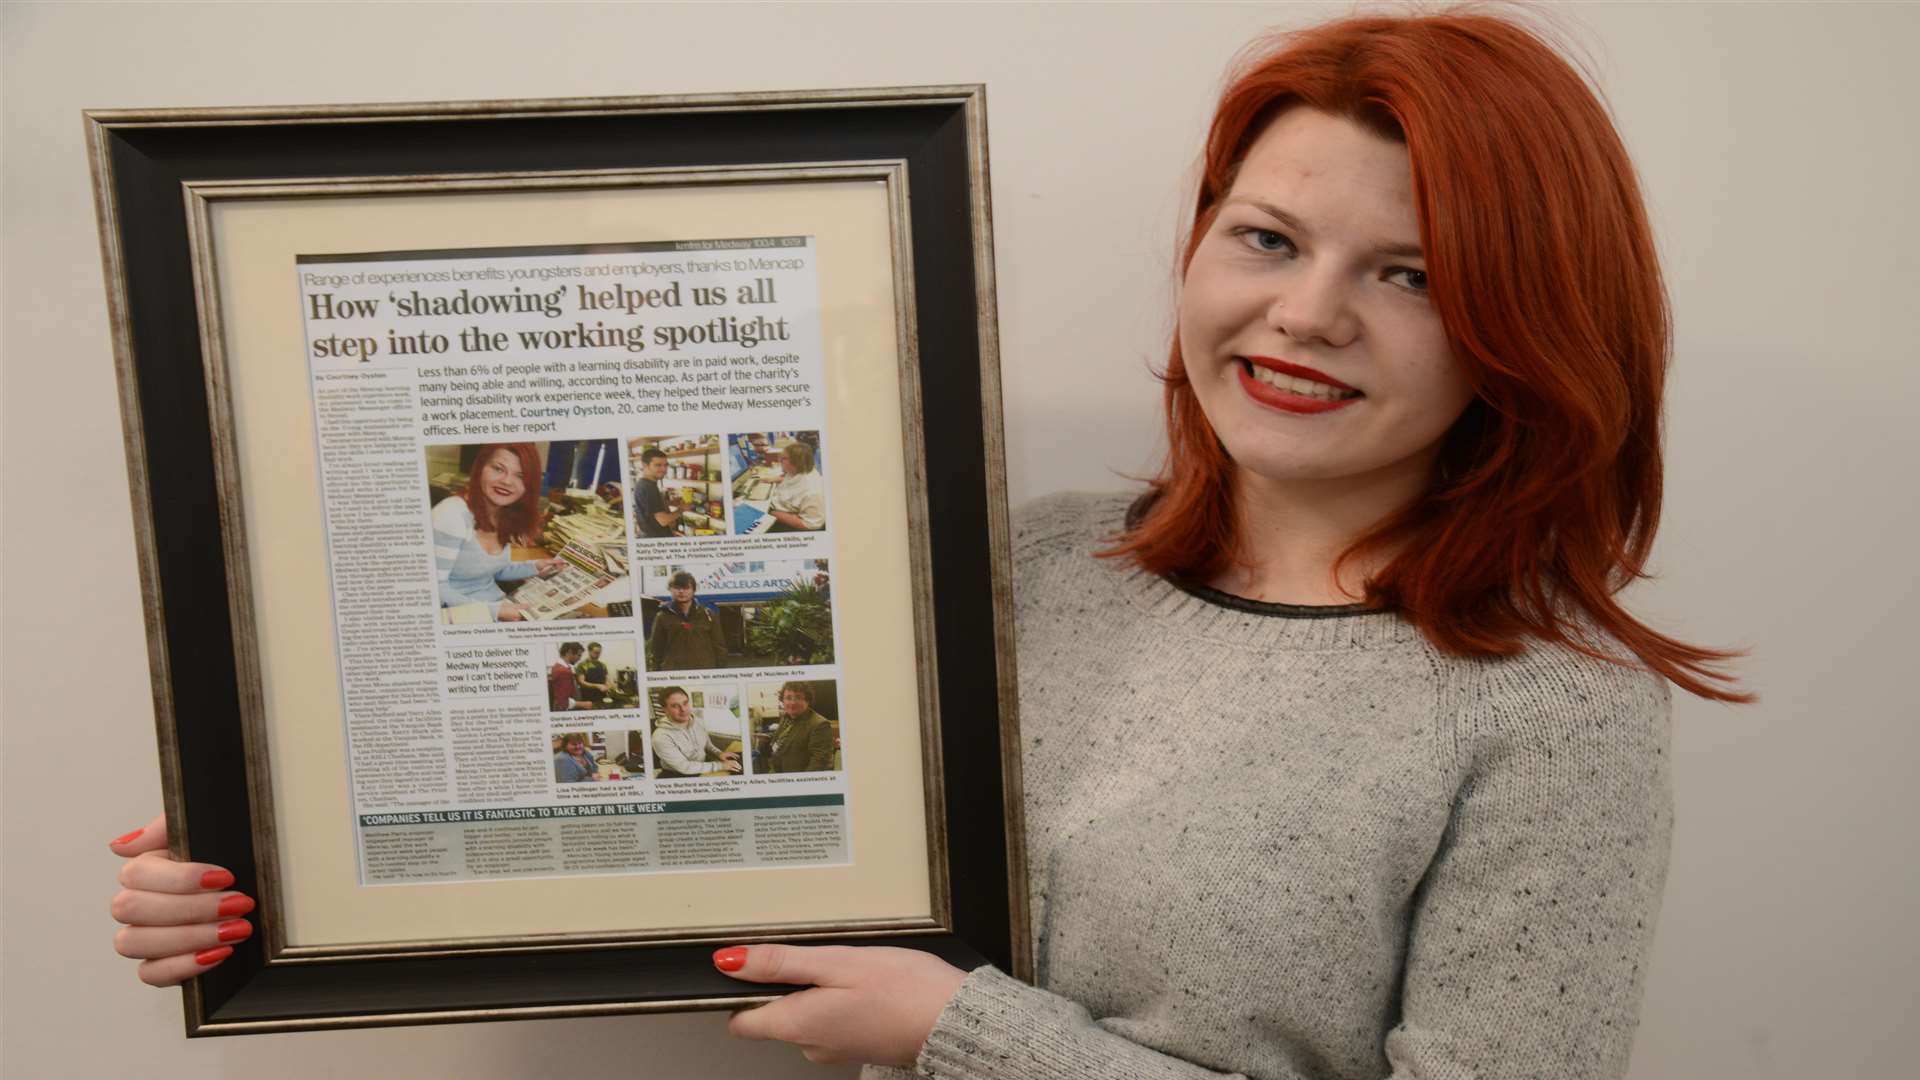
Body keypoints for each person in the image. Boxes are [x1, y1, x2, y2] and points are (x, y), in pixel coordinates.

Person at [103, 11, 1749, 1076]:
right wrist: (316, 835)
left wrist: (970, 1033)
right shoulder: (1016, 570)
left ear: (1521, 329)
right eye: (1269, 236)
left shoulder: (1555, 707)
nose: (1305, 313)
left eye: (1409, 272)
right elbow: (670, 758)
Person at [431, 443, 566, 621]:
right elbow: (434, 589)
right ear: (480, 468)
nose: (507, 481)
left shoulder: (504, 512)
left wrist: (535, 566)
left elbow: (494, 570)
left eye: (520, 476)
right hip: (461, 616)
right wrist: (495, 611)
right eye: (498, 468)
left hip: (496, 605)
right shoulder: (450, 514)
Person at [650, 686, 742, 779]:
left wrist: (719, 754)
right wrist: (721, 766)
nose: (683, 710)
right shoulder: (660, 737)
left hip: (703, 766)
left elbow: (707, 744)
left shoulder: (698, 721)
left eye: (685, 703)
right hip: (679, 775)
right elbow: (684, 767)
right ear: (665, 710)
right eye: (675, 706)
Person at [646, 570, 728, 671]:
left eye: (686, 588)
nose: (681, 591)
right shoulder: (662, 617)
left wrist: (719, 670)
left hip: (704, 672)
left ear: (694, 590)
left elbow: (720, 647)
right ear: (670, 589)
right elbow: (656, 650)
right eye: (677, 588)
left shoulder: (708, 615)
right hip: (673, 673)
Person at [761, 681, 835, 774]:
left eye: (798, 697)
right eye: (788, 698)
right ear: (782, 700)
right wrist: (767, 740)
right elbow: (784, 738)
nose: (792, 702)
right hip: (776, 770)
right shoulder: (786, 716)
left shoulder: (820, 724)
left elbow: (819, 763)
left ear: (807, 701)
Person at [764, 439, 825, 532]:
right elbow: (793, 481)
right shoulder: (801, 470)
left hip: (784, 520)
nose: (779, 460)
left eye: (783, 458)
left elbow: (810, 524)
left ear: (796, 462)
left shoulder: (812, 492)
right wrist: (774, 479)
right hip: (776, 507)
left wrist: (771, 512)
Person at [632, 446, 680, 539]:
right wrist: (682, 510)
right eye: (658, 465)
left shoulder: (644, 483)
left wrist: (671, 503)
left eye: (666, 465)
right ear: (645, 465)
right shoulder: (648, 487)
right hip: (655, 538)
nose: (664, 469)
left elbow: (651, 507)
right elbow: (663, 520)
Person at [547, 641, 589, 712]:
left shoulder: (559, 666)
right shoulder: (563, 671)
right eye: (579, 655)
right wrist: (583, 704)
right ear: (569, 652)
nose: (579, 659)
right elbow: (563, 702)